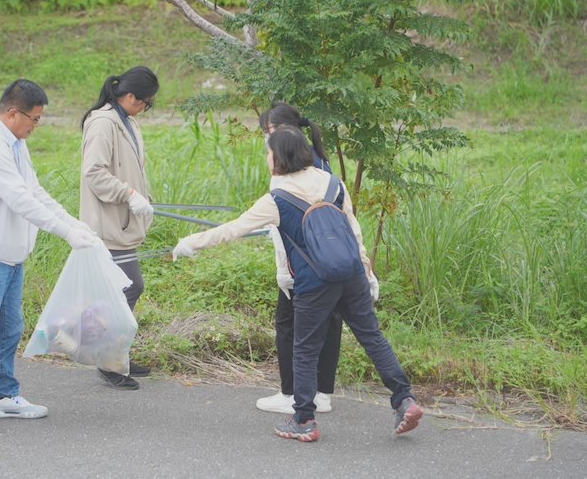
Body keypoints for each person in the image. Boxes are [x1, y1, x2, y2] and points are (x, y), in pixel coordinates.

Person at [172, 126, 422, 442]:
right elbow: (353, 230)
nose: (266, 157)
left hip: (315, 281)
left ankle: (303, 419)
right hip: (352, 273)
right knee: (371, 336)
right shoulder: (333, 183)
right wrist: (368, 271)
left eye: (268, 152)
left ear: (279, 157)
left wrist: (191, 242)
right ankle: (404, 398)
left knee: (304, 348)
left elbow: (233, 229)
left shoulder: (276, 198)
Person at [0, 79, 99, 435]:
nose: (36, 125)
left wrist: (73, 223)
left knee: (8, 328)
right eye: (34, 118)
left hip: (10, 256)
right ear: (12, 113)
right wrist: (64, 233)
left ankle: (2, 396)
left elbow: (35, 192)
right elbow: (18, 199)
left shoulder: (15, 143)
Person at [256, 102, 343, 415]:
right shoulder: (319, 161)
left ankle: (291, 393)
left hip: (302, 265)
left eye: (271, 132)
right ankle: (321, 394)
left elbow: (286, 227)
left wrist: (284, 270)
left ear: (287, 132)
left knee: (290, 325)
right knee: (330, 323)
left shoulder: (289, 167)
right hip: (333, 261)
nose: (268, 140)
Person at [79, 66, 159, 391]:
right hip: (108, 224)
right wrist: (128, 195)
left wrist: (143, 197)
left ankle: (116, 356)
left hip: (123, 221)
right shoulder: (102, 123)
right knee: (126, 289)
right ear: (128, 97)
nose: (146, 107)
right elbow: (94, 173)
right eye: (145, 102)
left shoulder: (127, 120)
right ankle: (108, 362)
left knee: (122, 290)